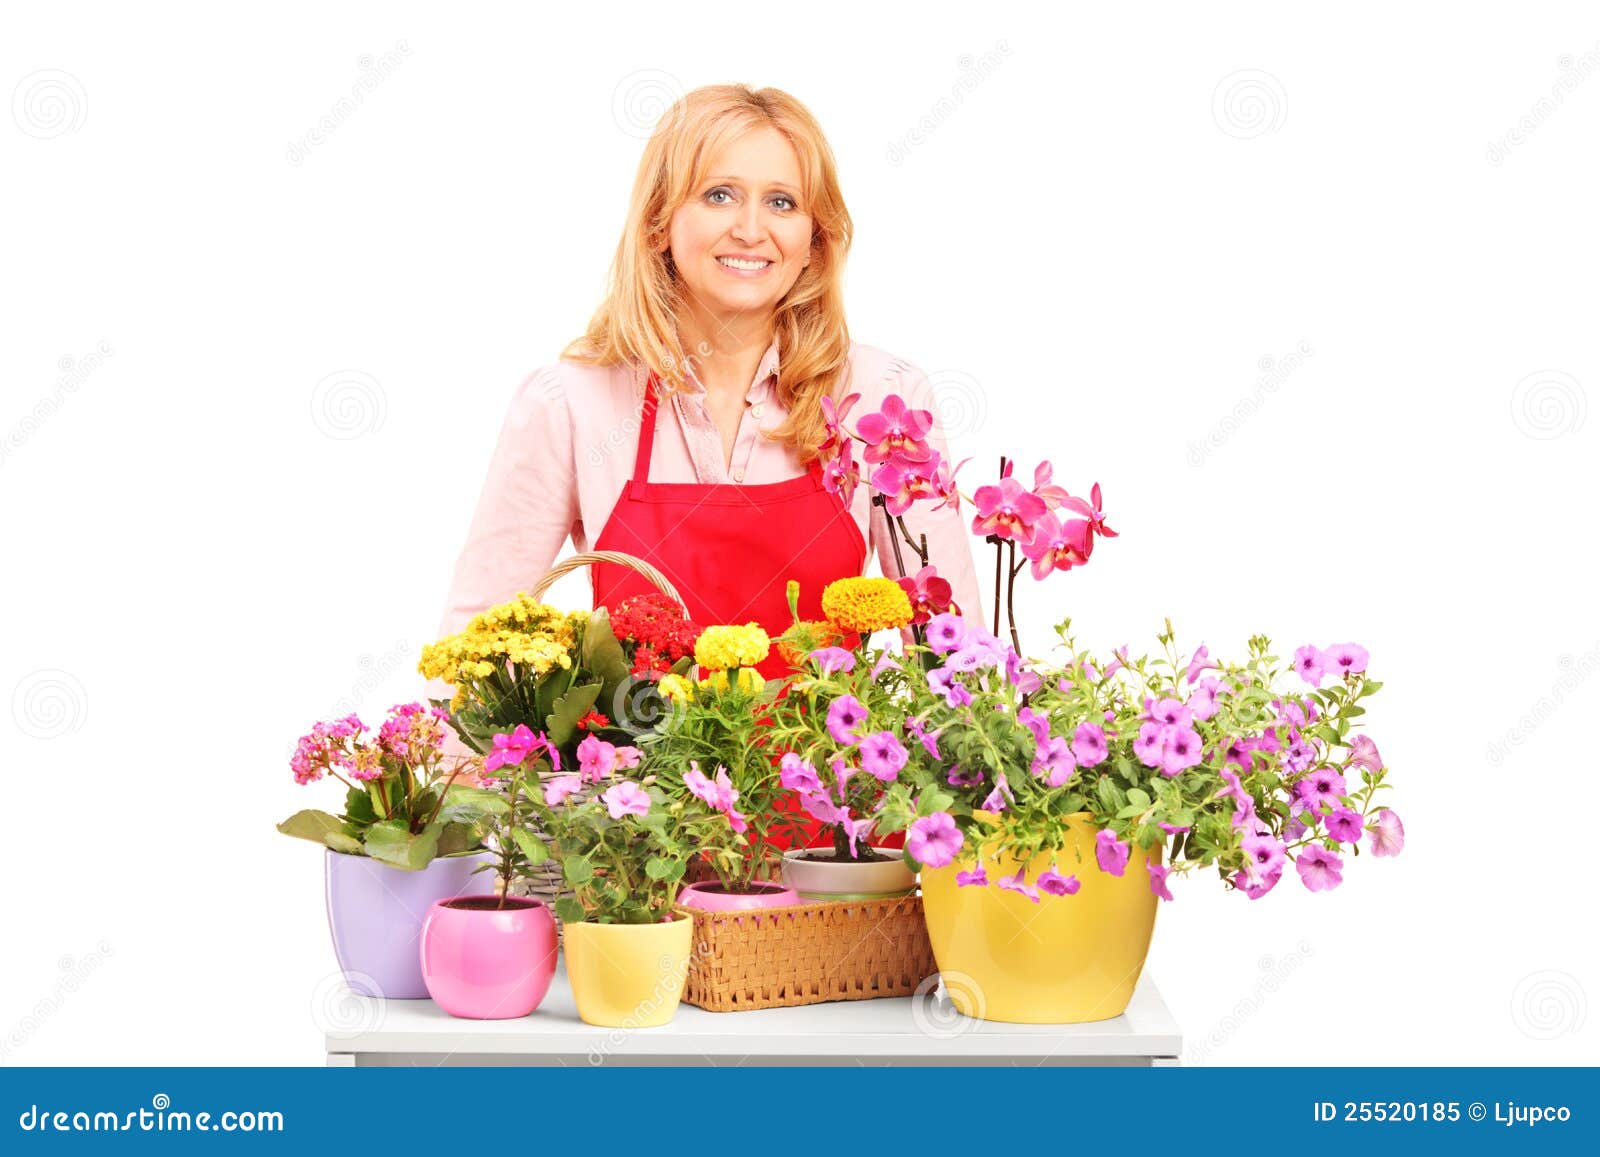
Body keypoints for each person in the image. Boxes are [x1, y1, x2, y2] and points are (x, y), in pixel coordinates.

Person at [430, 82, 981, 753]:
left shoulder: (882, 398)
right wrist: (508, 822)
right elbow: (470, 663)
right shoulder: (571, 403)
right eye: (719, 194)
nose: (751, 229)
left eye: (782, 202)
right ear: (661, 222)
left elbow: (958, 659)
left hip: (838, 840)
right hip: (640, 834)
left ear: (815, 239)